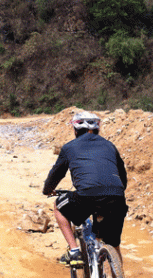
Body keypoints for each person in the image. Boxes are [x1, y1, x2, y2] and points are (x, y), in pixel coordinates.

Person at [42, 111, 128, 266]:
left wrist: (47, 190)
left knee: (58, 207)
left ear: (75, 130)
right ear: (97, 130)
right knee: (113, 244)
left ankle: (74, 251)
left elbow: (56, 174)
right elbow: (122, 174)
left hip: (87, 196)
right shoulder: (110, 145)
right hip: (116, 197)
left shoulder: (69, 147)